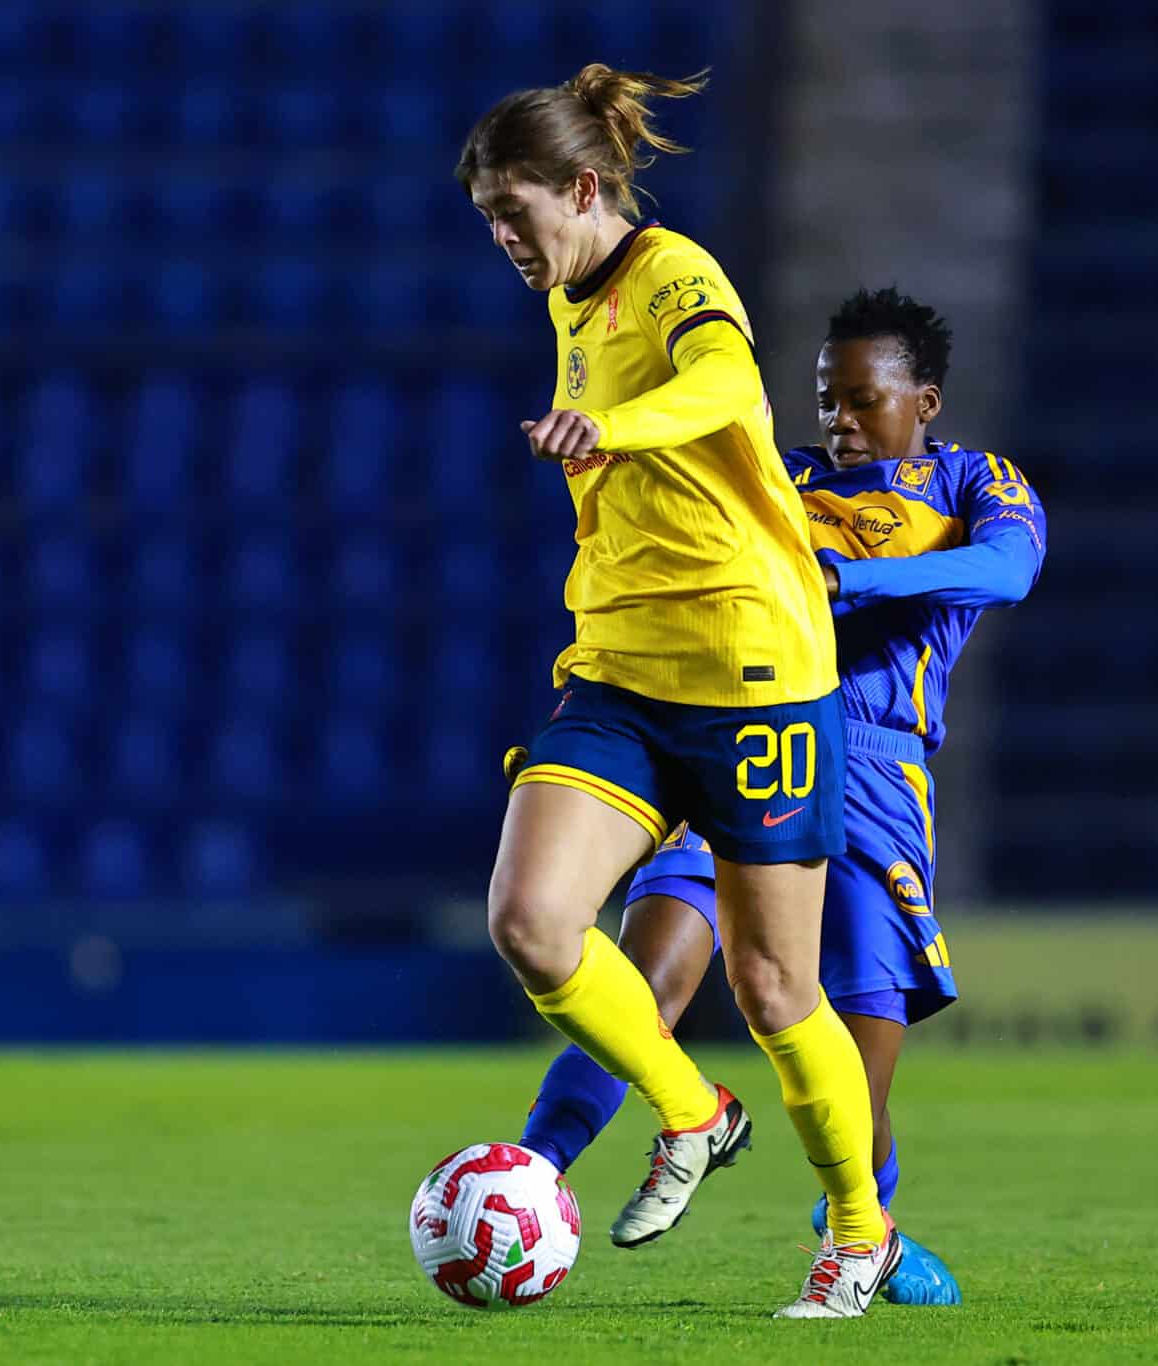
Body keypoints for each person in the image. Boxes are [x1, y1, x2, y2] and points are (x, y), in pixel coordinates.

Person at [458, 65, 896, 1318]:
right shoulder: (569, 302)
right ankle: (692, 1110)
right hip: (618, 668)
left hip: (753, 672)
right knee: (531, 920)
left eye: (512, 211)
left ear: (581, 188)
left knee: (772, 988)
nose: (502, 238)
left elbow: (724, 386)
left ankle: (856, 1231)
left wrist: (616, 428)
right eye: (486, 218)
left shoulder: (670, 272)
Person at [512, 286, 1049, 1305]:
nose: (839, 420)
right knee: (646, 977)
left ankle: (865, 1222)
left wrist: (846, 579)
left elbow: (1007, 568)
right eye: (825, 398)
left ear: (924, 401)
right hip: (742, 731)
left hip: (876, 768)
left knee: (848, 1062)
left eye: (862, 400)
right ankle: (533, 1172)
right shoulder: (778, 475)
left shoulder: (976, 480)